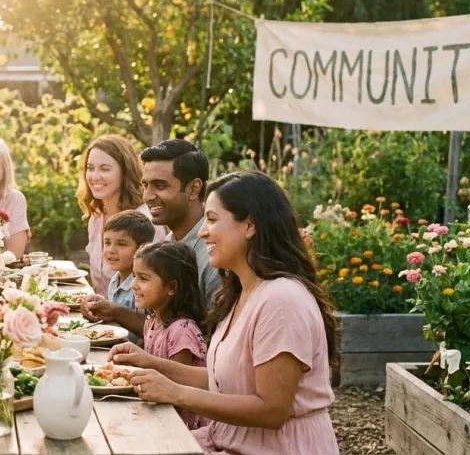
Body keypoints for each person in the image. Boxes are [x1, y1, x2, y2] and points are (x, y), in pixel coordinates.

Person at [111, 171, 340, 454]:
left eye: (212, 219)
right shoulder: (240, 292)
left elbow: (272, 410)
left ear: (250, 225)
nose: (203, 232)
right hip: (230, 441)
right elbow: (223, 381)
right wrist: (149, 363)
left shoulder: (282, 300)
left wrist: (176, 393)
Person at [116, 240, 207, 429]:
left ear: (172, 288)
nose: (133, 285)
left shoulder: (181, 330)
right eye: (134, 276)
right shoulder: (152, 321)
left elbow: (177, 386)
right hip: (157, 411)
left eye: (143, 278)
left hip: (178, 425)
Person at [77, 135, 165, 296]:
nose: (94, 176)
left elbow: (157, 290)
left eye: (105, 169)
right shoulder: (96, 218)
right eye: (90, 168)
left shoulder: (145, 220)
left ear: (125, 172)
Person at [140, 139, 221, 300]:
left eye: (160, 185)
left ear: (193, 189)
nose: (148, 196)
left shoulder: (215, 253)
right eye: (145, 186)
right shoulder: (169, 242)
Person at [79, 211, 154, 345]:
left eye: (121, 244)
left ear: (142, 248)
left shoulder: (143, 286)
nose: (111, 250)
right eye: (107, 243)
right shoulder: (115, 279)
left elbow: (151, 330)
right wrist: (98, 306)